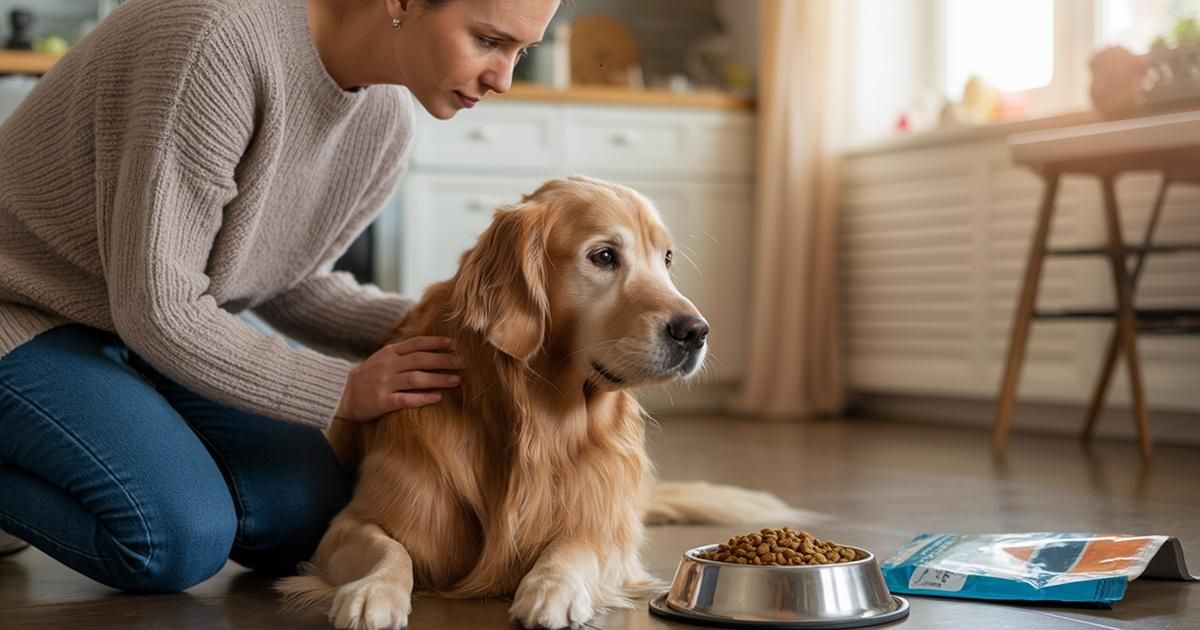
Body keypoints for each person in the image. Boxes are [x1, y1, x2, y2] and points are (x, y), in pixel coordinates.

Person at [0, 0, 557, 592]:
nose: (503, 79)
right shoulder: (216, 43)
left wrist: (464, 333)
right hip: (25, 311)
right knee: (173, 541)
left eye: (523, 52)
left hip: (144, 326)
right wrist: (341, 388)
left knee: (306, 522)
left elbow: (287, 280)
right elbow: (159, 309)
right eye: (489, 40)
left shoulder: (386, 121)